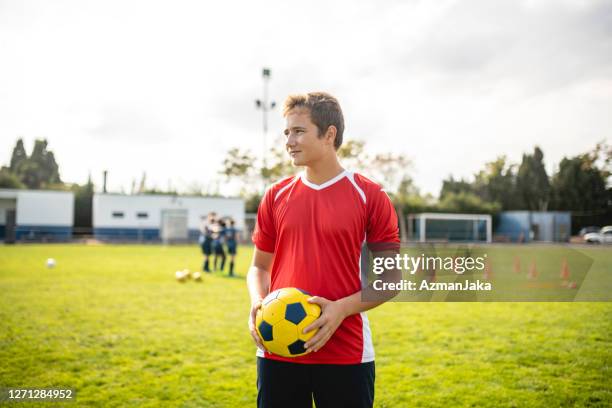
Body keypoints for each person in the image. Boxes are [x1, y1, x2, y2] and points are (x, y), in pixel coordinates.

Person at [247, 92, 400, 408]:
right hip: (278, 350)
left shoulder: (370, 196)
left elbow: (389, 280)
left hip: (346, 353)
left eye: (299, 131)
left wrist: (340, 309)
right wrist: (258, 303)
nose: (289, 140)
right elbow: (259, 267)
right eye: (287, 132)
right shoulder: (275, 196)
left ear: (329, 134)